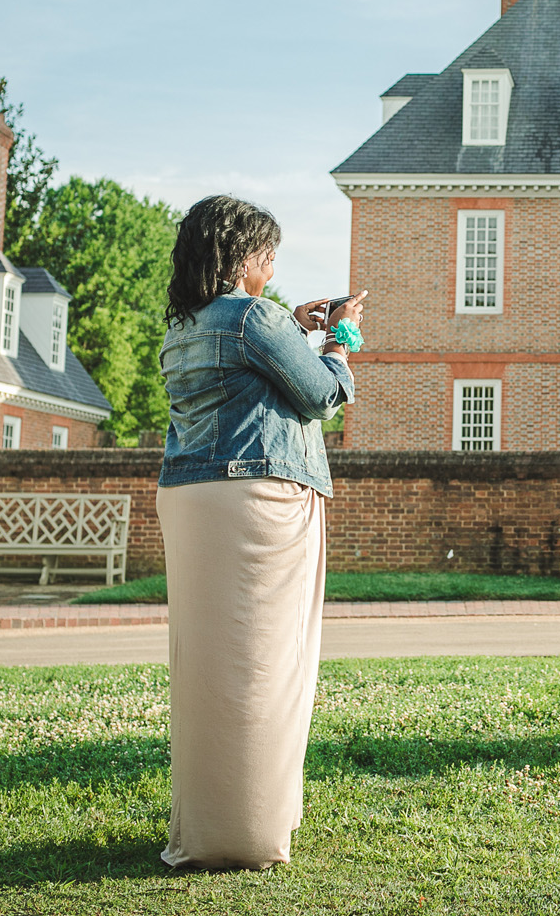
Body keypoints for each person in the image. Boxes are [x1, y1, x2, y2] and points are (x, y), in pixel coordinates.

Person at [156, 194, 366, 870]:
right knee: (268, 664)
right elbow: (321, 396)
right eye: (265, 253)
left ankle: (210, 824)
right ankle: (250, 832)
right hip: (259, 501)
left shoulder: (183, 325)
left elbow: (251, 380)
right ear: (240, 255)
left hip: (190, 498)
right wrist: (339, 337)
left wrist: (291, 327)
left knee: (210, 671)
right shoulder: (253, 317)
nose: (272, 267)